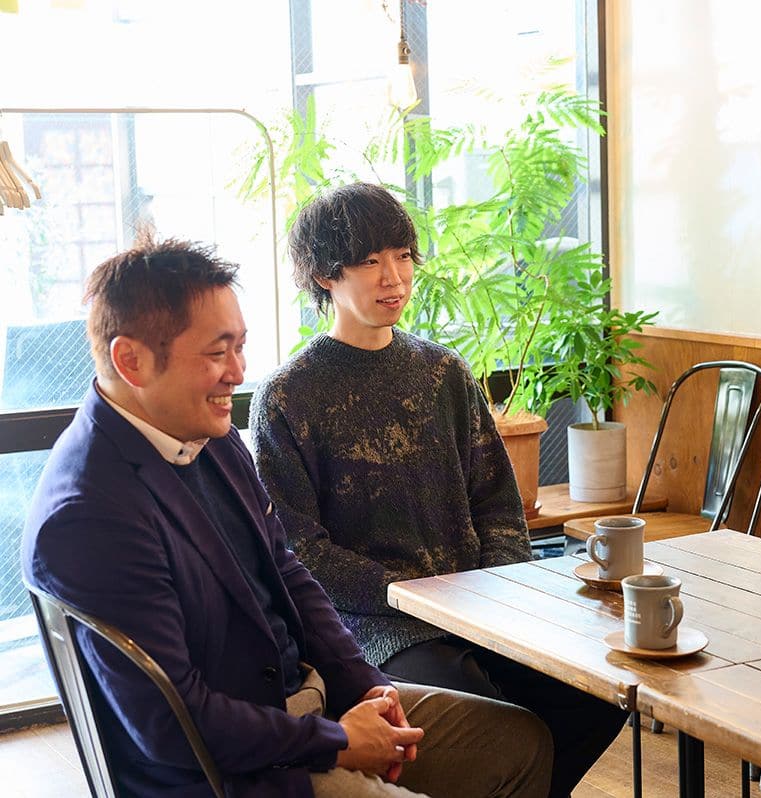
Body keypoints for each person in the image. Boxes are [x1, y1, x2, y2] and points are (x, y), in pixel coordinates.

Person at [22, 236, 552, 798]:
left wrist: (365, 687)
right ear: (131, 361)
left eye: (241, 346)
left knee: (522, 742)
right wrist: (336, 742)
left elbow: (287, 569)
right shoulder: (89, 516)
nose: (237, 372)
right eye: (217, 353)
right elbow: (173, 726)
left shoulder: (205, 433)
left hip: (304, 704)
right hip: (237, 773)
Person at [251, 182, 626, 798]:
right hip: (378, 625)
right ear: (324, 275)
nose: (393, 277)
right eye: (369, 261)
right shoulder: (289, 395)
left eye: (402, 256)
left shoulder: (444, 371)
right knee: (500, 724)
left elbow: (497, 503)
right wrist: (410, 594)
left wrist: (499, 590)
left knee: (600, 692)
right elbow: (300, 550)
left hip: (481, 608)